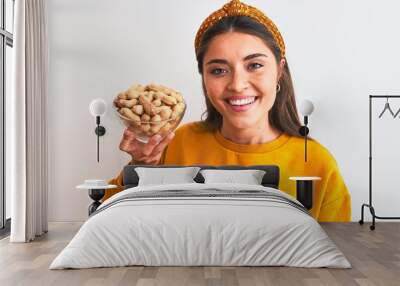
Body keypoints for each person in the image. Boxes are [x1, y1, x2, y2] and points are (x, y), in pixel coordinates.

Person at [104, 0, 351, 222]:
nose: (237, 85)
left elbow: (339, 247)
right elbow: (106, 219)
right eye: (219, 70)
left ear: (279, 70)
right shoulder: (173, 145)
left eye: (254, 65)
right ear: (204, 78)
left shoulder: (317, 163)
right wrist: (139, 167)